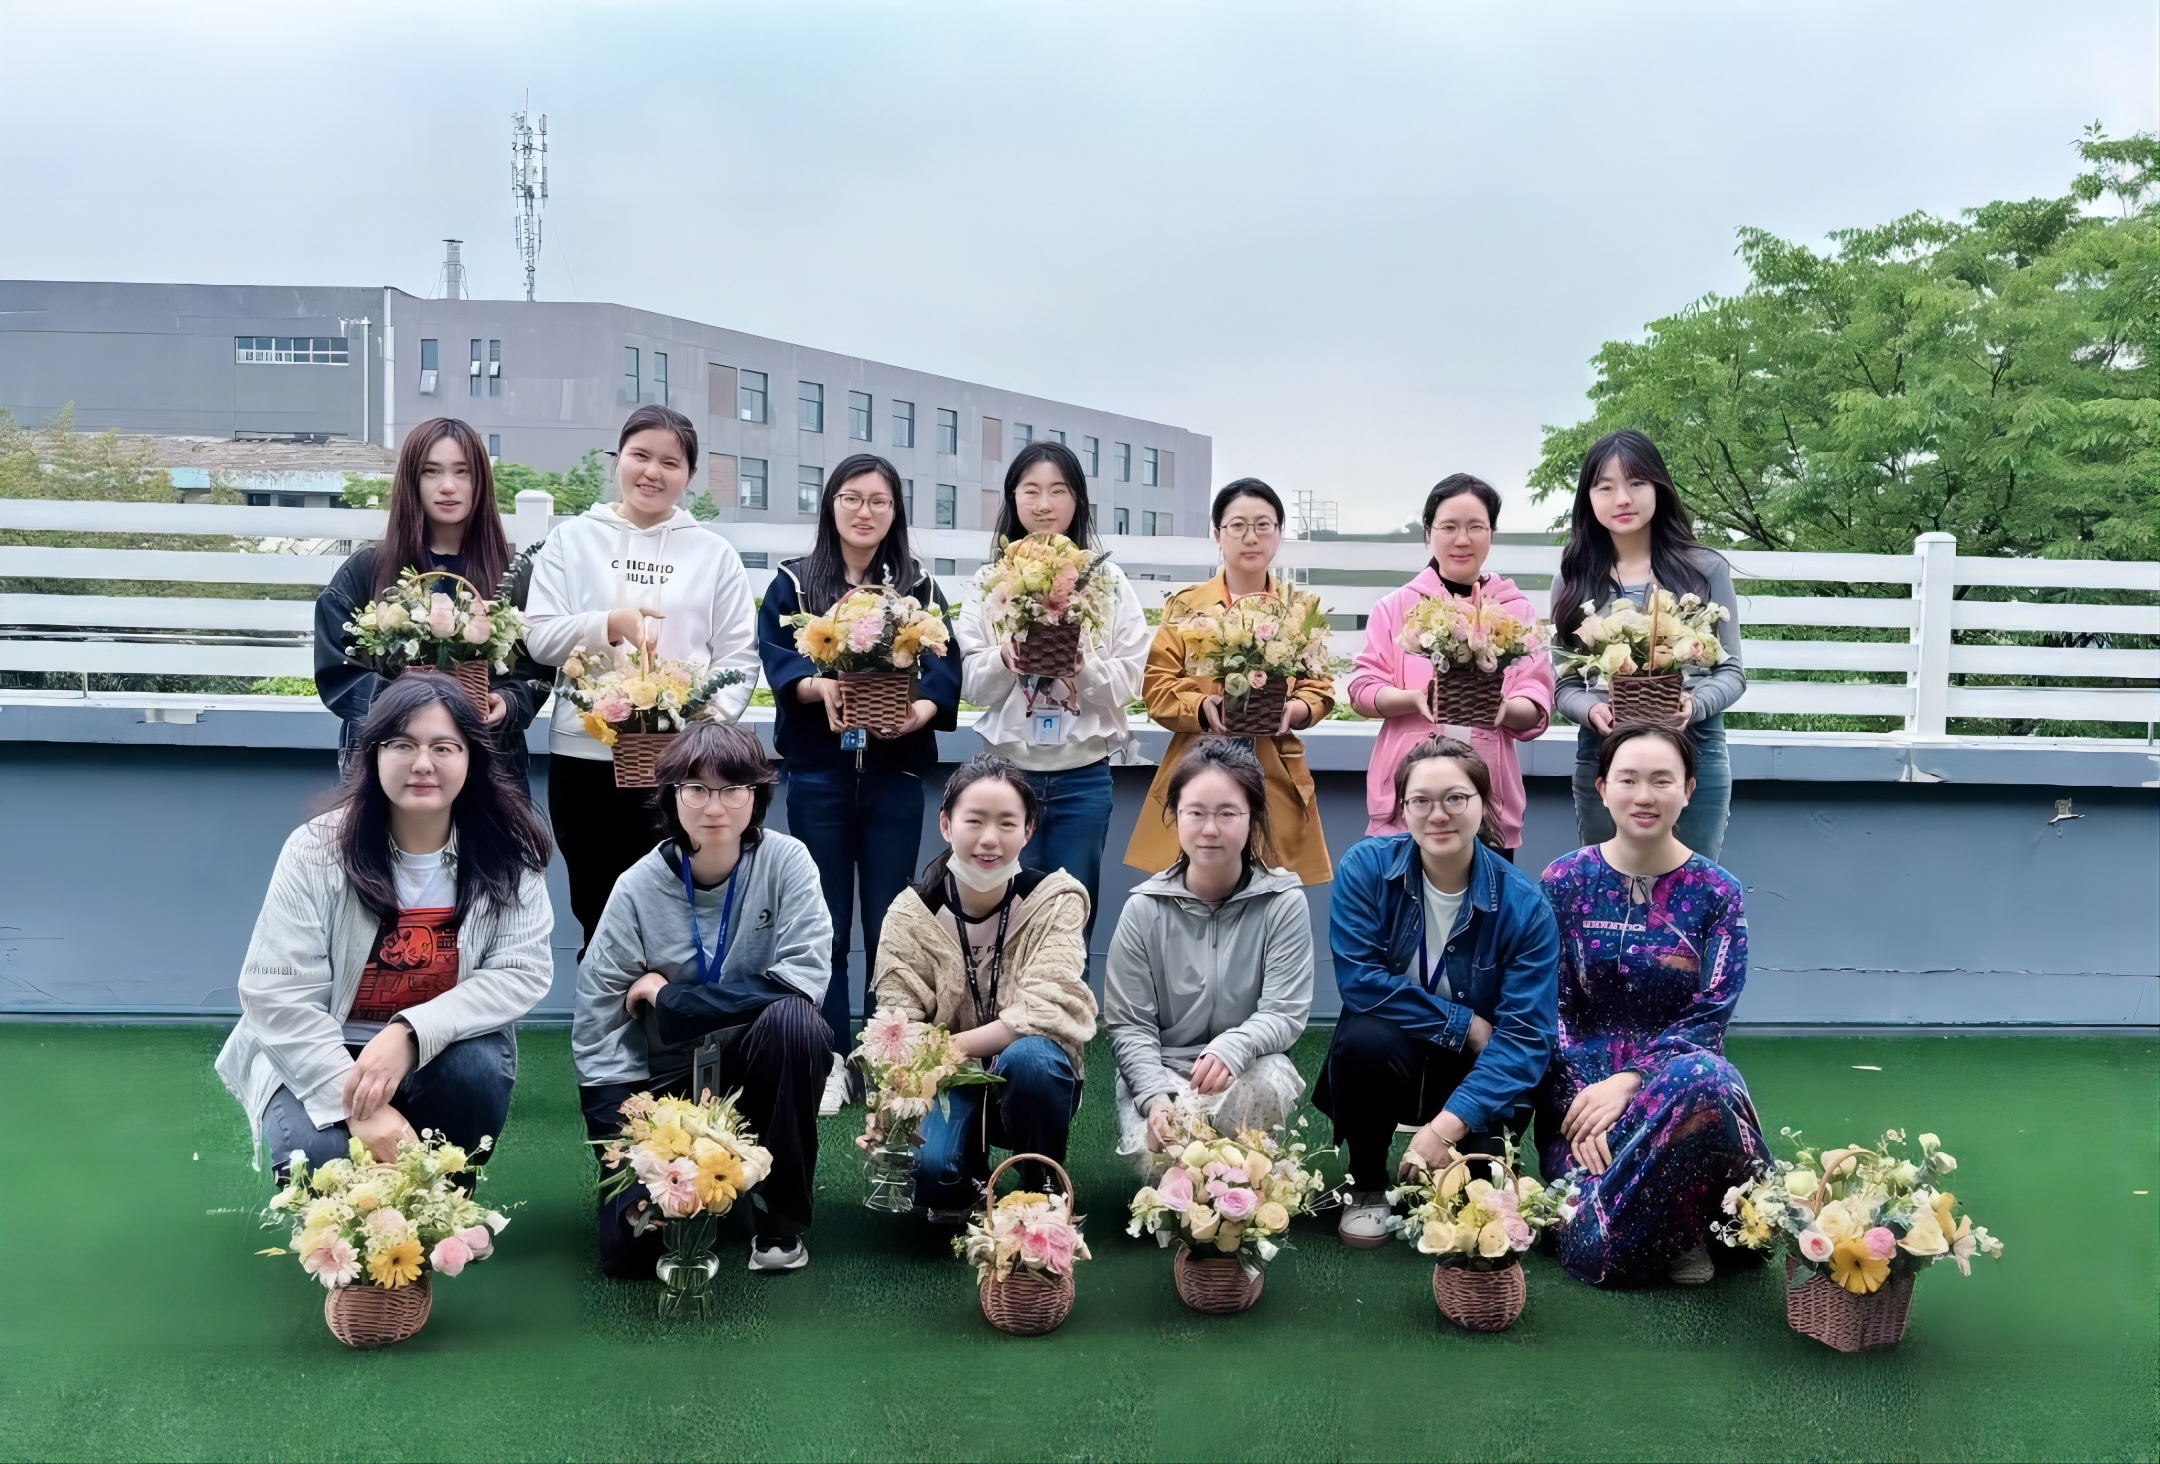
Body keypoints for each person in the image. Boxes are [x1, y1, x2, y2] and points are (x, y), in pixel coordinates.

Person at [216, 673, 555, 1174]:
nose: (423, 764)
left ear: (473, 758)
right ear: (373, 754)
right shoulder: (315, 850)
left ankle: (446, 1202)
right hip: (323, 1046)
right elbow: (277, 994)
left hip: (434, 1048)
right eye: (402, 745)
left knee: (477, 1068)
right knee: (322, 1163)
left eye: (444, 747)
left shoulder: (508, 852)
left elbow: (519, 970)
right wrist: (359, 1106)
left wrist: (410, 1033)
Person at [573, 722, 835, 1276]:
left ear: (756, 795)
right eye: (696, 789)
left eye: (732, 788)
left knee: (796, 1022)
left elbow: (802, 981)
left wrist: (672, 1001)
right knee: (629, 1256)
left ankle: (778, 1217)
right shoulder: (636, 888)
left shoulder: (787, 862)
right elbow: (600, 1033)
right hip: (665, 1088)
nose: (714, 807)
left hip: (751, 1072)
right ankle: (688, 1185)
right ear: (672, 795)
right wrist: (625, 1160)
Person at [757, 453, 960, 1111]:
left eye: (878, 500)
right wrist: (816, 688)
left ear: (895, 510)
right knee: (824, 923)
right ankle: (828, 1057)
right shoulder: (794, 582)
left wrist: (921, 710)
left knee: (891, 921)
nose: (864, 511)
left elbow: (945, 665)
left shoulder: (919, 587)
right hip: (819, 774)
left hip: (895, 776)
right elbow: (776, 655)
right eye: (851, 498)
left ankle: (883, 1055)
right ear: (830, 505)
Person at [1536, 725, 1769, 1287]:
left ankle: (1658, 1228)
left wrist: (1634, 1080)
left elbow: (1712, 1012)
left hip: (1681, 1088)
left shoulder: (1718, 892)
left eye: (1662, 781)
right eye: (1629, 780)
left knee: (1707, 1077)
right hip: (1584, 1110)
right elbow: (1548, 1009)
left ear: (1688, 790)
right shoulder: (1563, 881)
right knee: (1592, 1218)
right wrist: (1588, 1103)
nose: (1645, 796)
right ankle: (1684, 1227)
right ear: (1602, 788)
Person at [523, 405, 760, 946]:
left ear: (690, 475)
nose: (653, 472)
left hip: (681, 768)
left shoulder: (714, 554)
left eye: (670, 463)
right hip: (584, 757)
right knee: (597, 911)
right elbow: (540, 638)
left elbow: (738, 658)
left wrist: (700, 726)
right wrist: (609, 624)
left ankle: (673, 1003)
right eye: (640, 456)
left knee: (678, 915)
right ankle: (602, 1001)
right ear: (618, 460)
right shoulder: (572, 540)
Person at [1316, 735, 1560, 1248]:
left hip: (1479, 1067)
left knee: (1471, 1206)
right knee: (1363, 1038)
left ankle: (1462, 1150)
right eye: (1421, 801)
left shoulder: (1524, 906)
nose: (1438, 814)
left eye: (1455, 798)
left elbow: (1524, 1037)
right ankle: (1368, 1182)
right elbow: (1359, 981)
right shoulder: (1366, 868)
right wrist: (1463, 1024)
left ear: (1483, 803)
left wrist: (1445, 1127)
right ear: (1402, 808)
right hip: (1396, 1047)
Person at [871, 755, 1097, 1220]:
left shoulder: (1056, 901)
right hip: (947, 1082)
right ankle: (969, 1178)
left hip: (1034, 1079)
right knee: (931, 1175)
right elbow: (898, 1022)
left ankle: (1041, 1187)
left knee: (1032, 1057)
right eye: (974, 821)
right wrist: (895, 1098)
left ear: (1029, 830)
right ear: (946, 824)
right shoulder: (910, 914)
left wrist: (952, 1046)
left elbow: (1046, 1008)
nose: (989, 839)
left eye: (1007, 823)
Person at [958, 440, 1150, 935]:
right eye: (1031, 490)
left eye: (1058, 491)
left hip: (1082, 780)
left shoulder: (1108, 581)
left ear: (1077, 500)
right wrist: (1004, 659)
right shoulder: (989, 580)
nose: (1044, 504)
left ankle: (1064, 992)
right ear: (1013, 498)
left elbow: (1132, 679)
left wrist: (1083, 666)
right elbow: (970, 684)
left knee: (1068, 923)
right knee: (1000, 923)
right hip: (1004, 778)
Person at [1104, 737, 1311, 1168]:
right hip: (1163, 1075)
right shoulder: (1143, 909)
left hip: (1246, 1068)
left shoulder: (1284, 902)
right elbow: (1130, 1025)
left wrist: (1234, 1046)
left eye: (1227, 813)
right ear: (1176, 816)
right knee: (1178, 1187)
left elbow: (1284, 1012)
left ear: (1252, 816)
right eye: (1195, 812)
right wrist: (1155, 1097)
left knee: (1241, 1174)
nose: (1210, 829)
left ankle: (1247, 1163)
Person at [1548, 429, 1744, 862]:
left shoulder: (1704, 569)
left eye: (1636, 483)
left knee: (1692, 887)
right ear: (1588, 497)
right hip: (1604, 756)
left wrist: (1694, 705)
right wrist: (1592, 710)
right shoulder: (1574, 577)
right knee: (1606, 887)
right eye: (1605, 487)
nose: (1622, 499)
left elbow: (1732, 672)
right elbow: (1564, 684)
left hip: (1697, 753)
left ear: (1659, 487)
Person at [1125, 478, 1333, 886]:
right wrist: (1202, 708)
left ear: (1279, 532)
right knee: (1192, 891)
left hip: (1273, 770)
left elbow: (1319, 685)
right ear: (1217, 534)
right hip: (1198, 765)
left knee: (1271, 894)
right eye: (1237, 526)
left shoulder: (1299, 609)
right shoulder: (1188, 606)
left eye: (1263, 525)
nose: (1250, 537)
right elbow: (1157, 688)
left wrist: (1296, 710)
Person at [314, 417, 550, 773]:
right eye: (431, 472)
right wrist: (405, 708)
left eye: (462, 472)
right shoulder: (367, 569)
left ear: (480, 482)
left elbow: (538, 664)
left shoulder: (513, 573)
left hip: (489, 760)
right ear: (412, 480)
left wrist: (509, 701)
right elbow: (338, 669)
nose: (448, 487)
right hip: (391, 761)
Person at [1347, 473, 1553, 858]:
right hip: (1409, 801)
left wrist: (1502, 709)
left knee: (1488, 897)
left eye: (1476, 527)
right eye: (1449, 527)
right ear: (1428, 532)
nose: (1462, 539)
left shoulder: (1516, 610)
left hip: (1488, 799)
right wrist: (1413, 699)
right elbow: (1362, 690)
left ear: (1491, 533)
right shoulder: (1394, 607)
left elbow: (1536, 696)